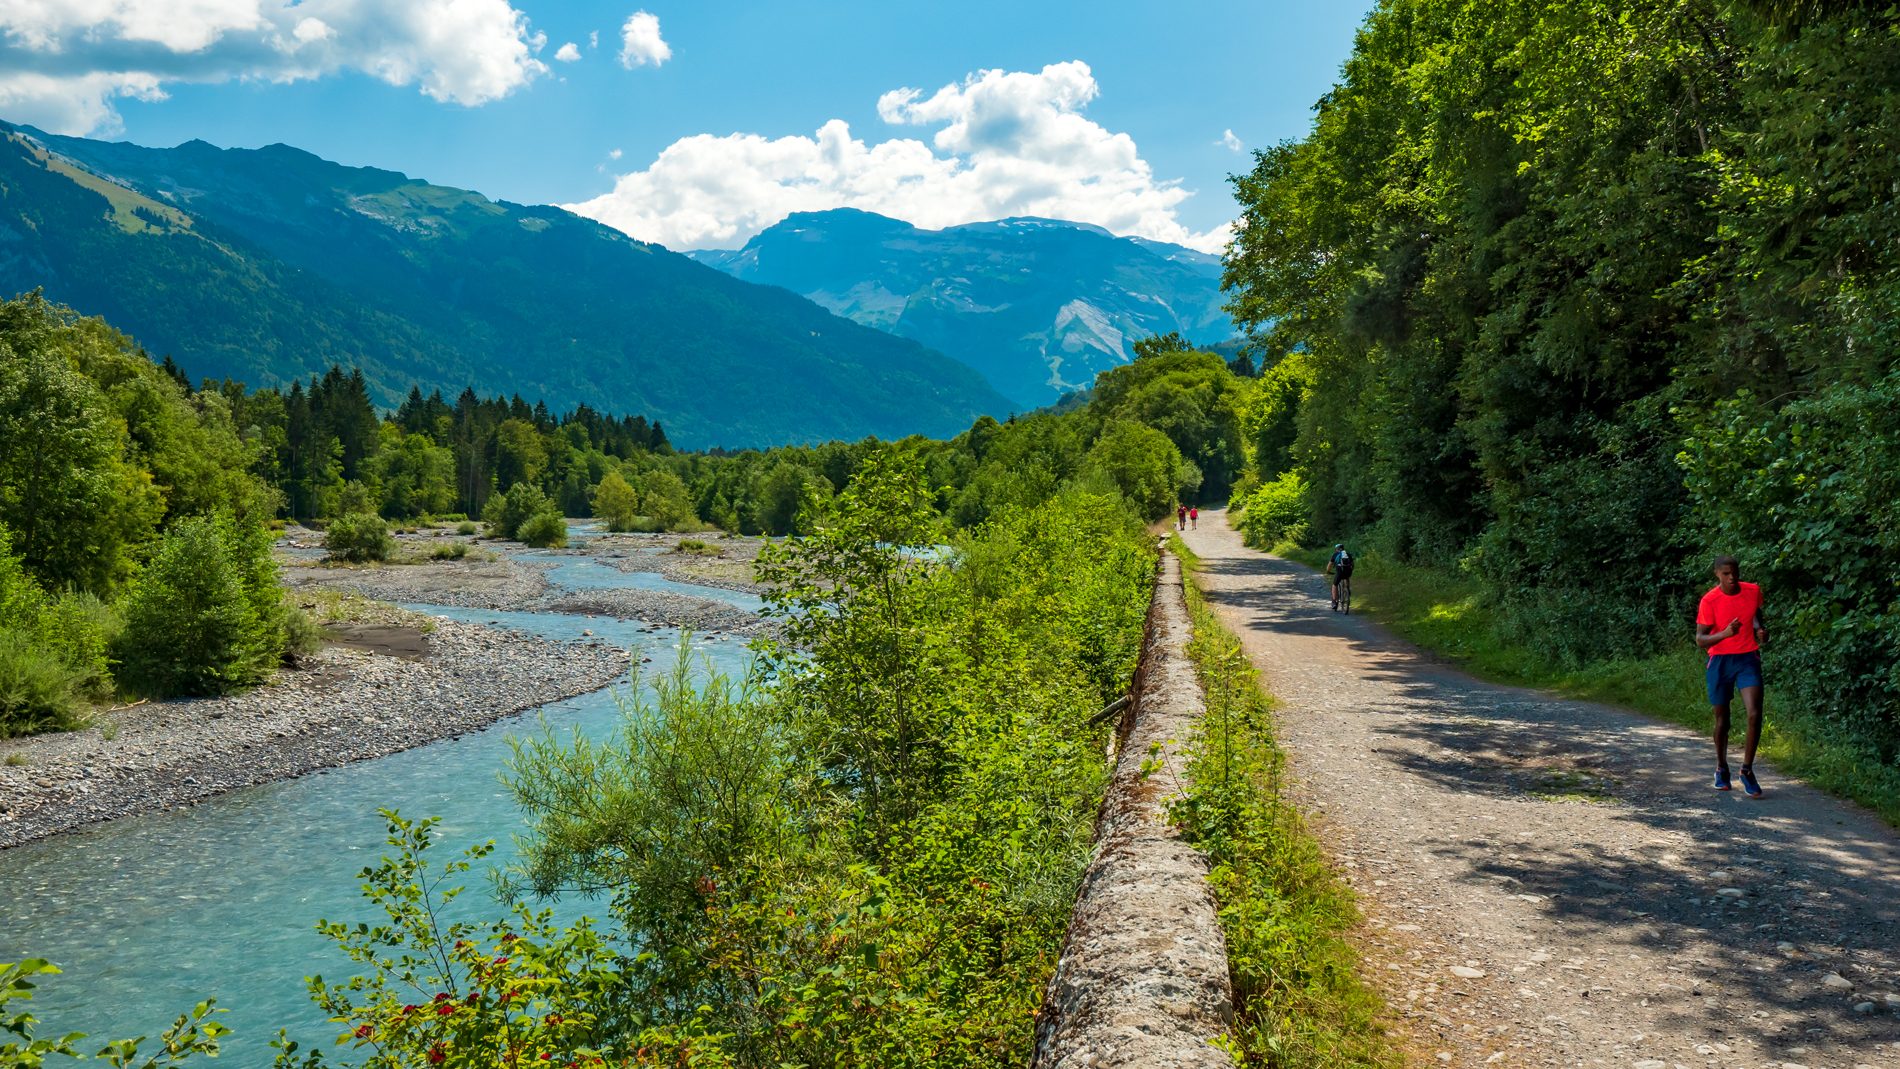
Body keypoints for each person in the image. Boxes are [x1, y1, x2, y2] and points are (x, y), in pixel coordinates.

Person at [1696, 555, 1766, 798]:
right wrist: (1725, 633)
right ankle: (1721, 767)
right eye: (1726, 573)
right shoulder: (1709, 600)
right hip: (1720, 661)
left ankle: (1747, 770)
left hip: (1747, 657)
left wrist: (1758, 628)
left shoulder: (1753, 590)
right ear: (1717, 574)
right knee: (1722, 720)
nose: (1732, 577)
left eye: (1734, 572)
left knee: (1755, 713)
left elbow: (1755, 613)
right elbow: (1700, 640)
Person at [1325, 543, 1353, 611]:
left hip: (1340, 572)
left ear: (1337, 549)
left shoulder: (1335, 554)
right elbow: (1352, 564)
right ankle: (1347, 589)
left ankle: (1334, 602)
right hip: (1348, 572)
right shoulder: (1348, 554)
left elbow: (1329, 566)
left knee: (1334, 585)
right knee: (1346, 577)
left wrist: (1328, 571)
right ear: (1343, 548)